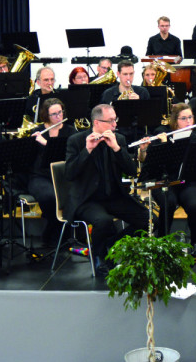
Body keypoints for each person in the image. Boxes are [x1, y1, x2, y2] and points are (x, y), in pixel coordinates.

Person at [64, 104, 150, 274]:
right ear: (96, 122)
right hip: (87, 199)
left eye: (115, 120)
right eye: (110, 121)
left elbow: (132, 171)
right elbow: (70, 174)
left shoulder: (119, 139)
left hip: (113, 196)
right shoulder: (77, 140)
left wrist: (117, 149)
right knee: (104, 221)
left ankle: (111, 245)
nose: (115, 124)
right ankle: (98, 256)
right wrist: (87, 150)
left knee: (147, 220)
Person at [140, 104, 196, 245]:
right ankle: (162, 243)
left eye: (190, 117)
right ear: (175, 121)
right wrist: (145, 149)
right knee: (168, 203)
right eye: (184, 118)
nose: (188, 121)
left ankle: (195, 243)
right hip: (163, 181)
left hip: (186, 181)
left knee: (195, 206)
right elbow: (145, 161)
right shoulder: (161, 133)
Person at [27, 98, 74, 249]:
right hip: (40, 176)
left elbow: (67, 155)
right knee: (49, 197)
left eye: (60, 112)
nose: (58, 117)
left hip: (64, 175)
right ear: (46, 115)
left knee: (72, 195)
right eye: (54, 114)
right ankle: (53, 229)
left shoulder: (70, 131)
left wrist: (45, 143)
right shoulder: (37, 131)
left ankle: (59, 233)